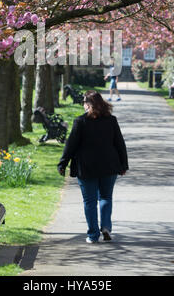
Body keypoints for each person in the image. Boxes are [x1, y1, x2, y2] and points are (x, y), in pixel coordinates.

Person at [57, 90, 128, 244]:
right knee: (106, 197)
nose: (83, 106)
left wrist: (63, 163)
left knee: (89, 202)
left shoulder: (80, 122)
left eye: (84, 103)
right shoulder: (111, 120)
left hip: (86, 167)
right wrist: (123, 164)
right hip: (109, 166)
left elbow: (71, 145)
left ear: (88, 105)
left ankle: (93, 235)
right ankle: (106, 227)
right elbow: (120, 144)